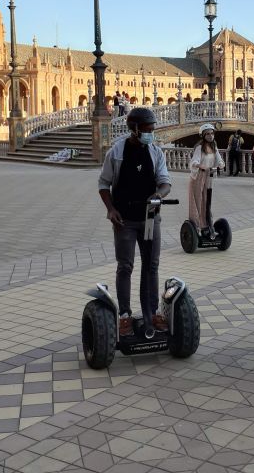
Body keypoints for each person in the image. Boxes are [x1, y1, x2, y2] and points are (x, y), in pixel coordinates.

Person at [98, 107, 172, 336]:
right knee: (126, 266)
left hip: (150, 218)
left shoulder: (156, 152)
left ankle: (152, 312)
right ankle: (125, 316)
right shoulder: (117, 152)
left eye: (153, 129)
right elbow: (103, 184)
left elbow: (165, 182)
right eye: (148, 130)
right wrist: (111, 209)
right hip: (125, 220)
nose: (151, 133)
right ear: (135, 129)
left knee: (152, 265)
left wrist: (159, 195)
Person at [188, 123, 225, 235]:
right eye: (207, 134)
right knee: (198, 200)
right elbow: (194, 161)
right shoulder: (200, 147)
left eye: (212, 133)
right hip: (198, 177)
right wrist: (200, 166)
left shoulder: (214, 147)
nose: (210, 136)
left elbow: (219, 159)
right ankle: (197, 226)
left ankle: (207, 224)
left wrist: (221, 164)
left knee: (206, 201)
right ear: (203, 136)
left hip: (209, 176)